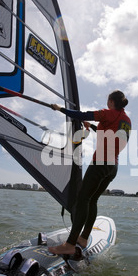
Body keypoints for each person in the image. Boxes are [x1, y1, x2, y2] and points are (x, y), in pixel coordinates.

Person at [48, 90, 131, 256]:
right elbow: (108, 133)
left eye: (108, 100)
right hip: (112, 166)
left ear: (111, 101)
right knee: (92, 201)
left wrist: (60, 109)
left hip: (100, 163)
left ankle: (70, 244)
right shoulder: (126, 120)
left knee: (82, 200)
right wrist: (91, 126)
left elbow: (82, 114)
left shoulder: (108, 113)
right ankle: (84, 238)